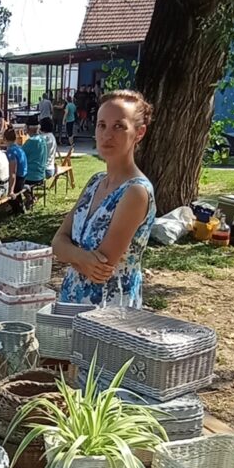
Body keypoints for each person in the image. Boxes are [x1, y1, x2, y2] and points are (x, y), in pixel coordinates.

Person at [55, 90, 156, 308]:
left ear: (139, 133)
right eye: (102, 125)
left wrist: (70, 254)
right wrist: (80, 257)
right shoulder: (95, 183)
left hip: (109, 312)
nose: (107, 135)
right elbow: (56, 244)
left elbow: (102, 268)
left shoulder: (135, 192)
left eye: (118, 126)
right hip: (71, 301)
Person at [22, 118, 48, 185]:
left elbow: (20, 156)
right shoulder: (42, 140)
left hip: (30, 176)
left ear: (28, 128)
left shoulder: (31, 142)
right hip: (41, 174)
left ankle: (25, 195)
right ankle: (29, 195)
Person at [3, 127, 27, 195]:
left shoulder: (11, 151)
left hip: (18, 180)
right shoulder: (19, 148)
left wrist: (11, 191)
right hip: (23, 177)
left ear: (4, 139)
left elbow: (12, 173)